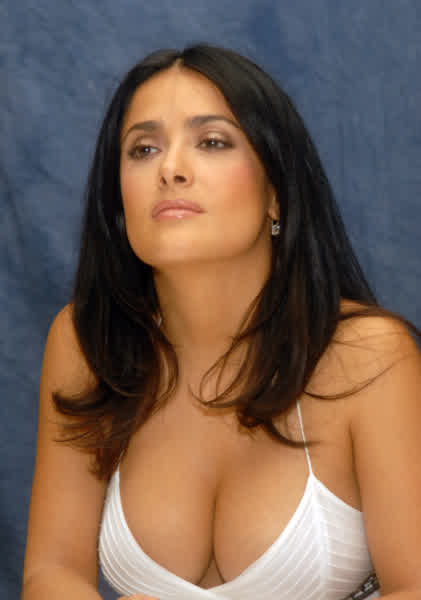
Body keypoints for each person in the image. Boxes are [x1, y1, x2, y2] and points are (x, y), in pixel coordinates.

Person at [22, 44, 421, 600]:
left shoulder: (368, 355)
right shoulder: (88, 342)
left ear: (276, 193)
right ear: (118, 202)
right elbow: (51, 572)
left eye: (211, 142)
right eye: (143, 149)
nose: (171, 169)